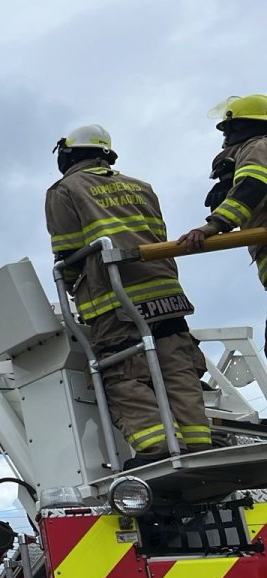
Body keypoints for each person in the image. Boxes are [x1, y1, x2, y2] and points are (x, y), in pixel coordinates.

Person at [47, 124, 211, 469]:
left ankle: (158, 448)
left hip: (115, 298)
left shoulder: (66, 189)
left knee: (123, 374)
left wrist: (73, 284)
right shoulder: (142, 187)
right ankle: (199, 444)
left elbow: (68, 251)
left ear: (68, 155)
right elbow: (157, 235)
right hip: (166, 293)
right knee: (178, 368)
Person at [177, 95, 267, 314]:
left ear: (241, 127)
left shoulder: (258, 146)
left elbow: (253, 185)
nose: (226, 138)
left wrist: (214, 225)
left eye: (228, 130)